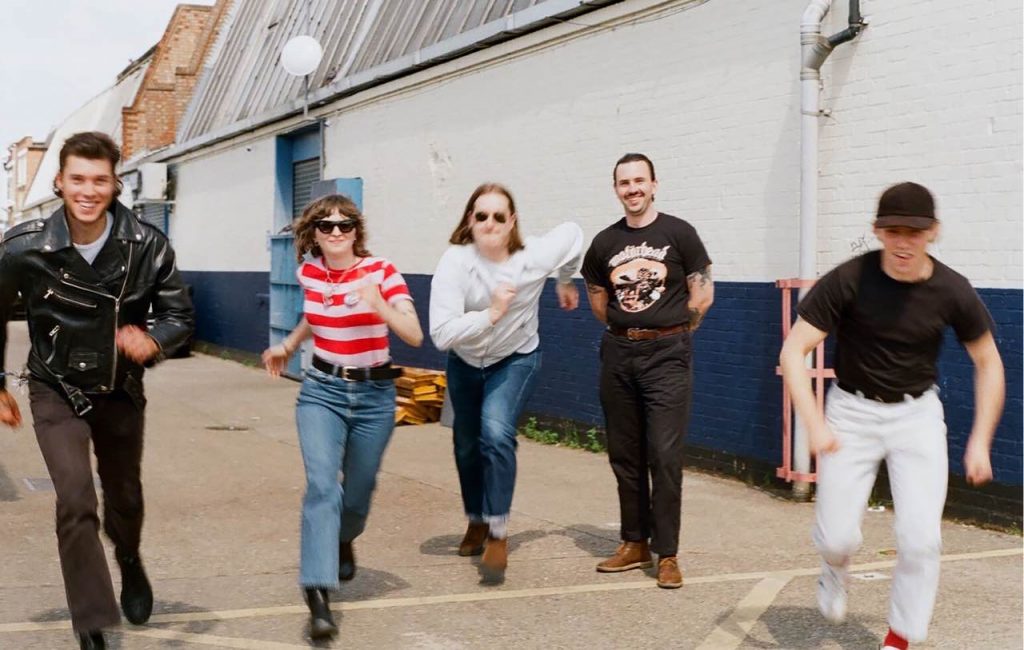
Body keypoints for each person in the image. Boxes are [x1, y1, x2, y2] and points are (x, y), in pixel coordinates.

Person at [779, 182, 1005, 650]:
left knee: (921, 540)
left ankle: (899, 637)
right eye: (893, 231)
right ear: (877, 231)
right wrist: (815, 424)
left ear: (933, 232)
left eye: (914, 232)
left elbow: (989, 363)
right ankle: (834, 569)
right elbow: (794, 350)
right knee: (837, 539)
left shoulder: (952, 289)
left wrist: (980, 441)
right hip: (851, 413)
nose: (903, 242)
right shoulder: (849, 280)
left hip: (915, 417)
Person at [0, 132, 194, 650]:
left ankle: (129, 557)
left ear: (116, 184)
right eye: (78, 179)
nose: (88, 191)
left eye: (100, 180)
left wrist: (153, 340)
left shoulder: (147, 244)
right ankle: (92, 622)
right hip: (55, 387)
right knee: (75, 498)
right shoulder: (24, 246)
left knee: (124, 496)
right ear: (60, 182)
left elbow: (179, 315)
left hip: (119, 387)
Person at [261, 193, 422, 640]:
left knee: (358, 493)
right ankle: (317, 593)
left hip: (374, 396)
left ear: (356, 231)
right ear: (314, 233)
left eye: (345, 225)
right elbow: (316, 317)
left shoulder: (382, 272)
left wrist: (378, 304)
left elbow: (413, 334)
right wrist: (288, 345)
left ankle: (344, 536)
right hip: (321, 392)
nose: (336, 232)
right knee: (321, 486)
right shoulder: (309, 272)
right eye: (327, 225)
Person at [429, 182, 582, 583]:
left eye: (499, 216)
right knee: (466, 444)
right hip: (465, 361)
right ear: (470, 220)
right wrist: (491, 313)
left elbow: (574, 234)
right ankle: (476, 519)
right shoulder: (455, 262)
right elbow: (441, 334)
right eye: (482, 216)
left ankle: (497, 532)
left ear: (512, 221)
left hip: (515, 358)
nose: (490, 223)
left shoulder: (534, 256)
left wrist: (565, 279)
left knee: (495, 432)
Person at [581, 153, 713, 589]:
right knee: (625, 454)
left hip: (668, 355)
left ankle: (667, 553)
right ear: (616, 189)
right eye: (624, 182)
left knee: (664, 454)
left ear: (654, 184)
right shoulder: (603, 243)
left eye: (639, 180)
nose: (633, 189)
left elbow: (702, 295)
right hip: (619, 353)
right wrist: (630, 329)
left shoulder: (680, 233)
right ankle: (634, 542)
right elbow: (599, 302)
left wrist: (673, 331)